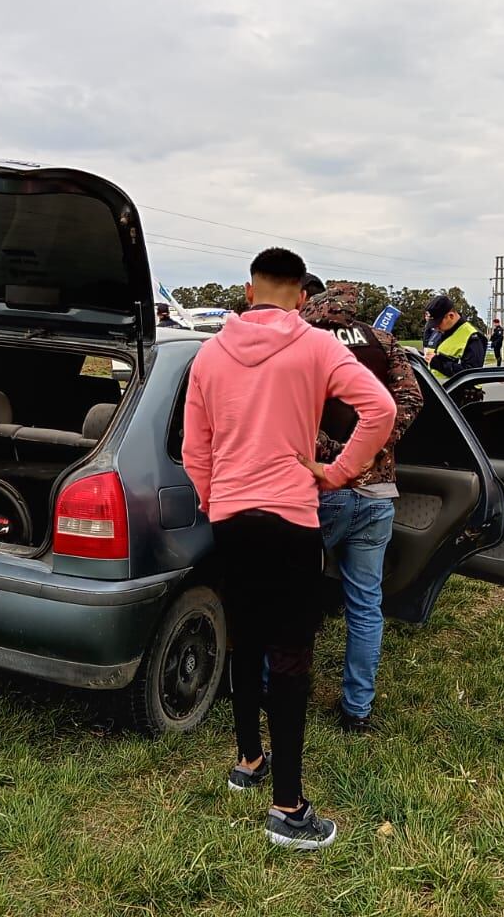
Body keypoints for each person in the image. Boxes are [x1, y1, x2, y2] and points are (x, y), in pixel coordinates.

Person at [182, 248, 395, 850]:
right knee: (291, 652)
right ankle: (288, 807)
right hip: (292, 516)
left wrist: (214, 496)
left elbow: (195, 448)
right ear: (302, 296)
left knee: (245, 637)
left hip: (231, 516)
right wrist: (338, 472)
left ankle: (248, 760)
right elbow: (378, 408)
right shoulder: (318, 346)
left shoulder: (208, 355)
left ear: (249, 292)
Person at [301, 282, 423, 733]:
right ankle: (357, 710)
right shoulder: (383, 341)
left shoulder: (301, 340)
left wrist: (333, 453)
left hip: (317, 490)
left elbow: (289, 412)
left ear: (314, 305)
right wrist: (371, 449)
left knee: (294, 596)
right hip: (376, 493)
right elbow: (410, 400)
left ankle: (279, 688)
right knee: (365, 605)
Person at [424, 294, 487, 381]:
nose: (435, 327)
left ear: (451, 316)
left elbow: (471, 373)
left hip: (463, 393)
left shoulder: (473, 336)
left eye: (438, 323)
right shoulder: (443, 331)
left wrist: (436, 363)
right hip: (443, 392)